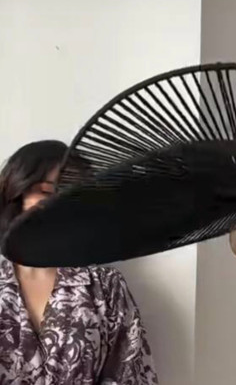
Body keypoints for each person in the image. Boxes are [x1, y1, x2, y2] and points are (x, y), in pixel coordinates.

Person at [0, 140, 158, 384]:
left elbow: (132, 375)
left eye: (68, 194)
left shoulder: (106, 287)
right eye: (45, 192)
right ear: (17, 195)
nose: (55, 203)